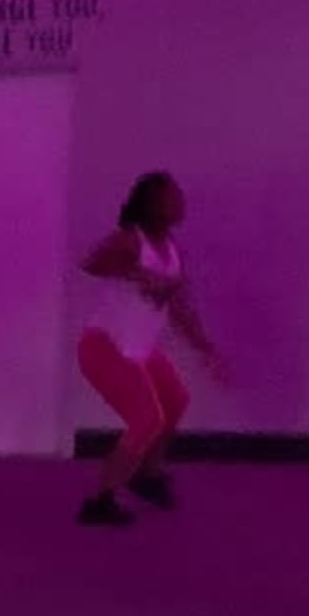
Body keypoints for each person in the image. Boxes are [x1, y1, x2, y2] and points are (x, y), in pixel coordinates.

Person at [75, 173, 227, 527]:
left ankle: (147, 473)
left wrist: (206, 349)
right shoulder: (130, 241)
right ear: (151, 204)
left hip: (139, 351)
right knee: (147, 419)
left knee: (175, 400)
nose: (179, 202)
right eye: (171, 197)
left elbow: (178, 309)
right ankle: (99, 501)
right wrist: (138, 275)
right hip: (104, 347)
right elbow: (91, 263)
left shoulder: (172, 251)